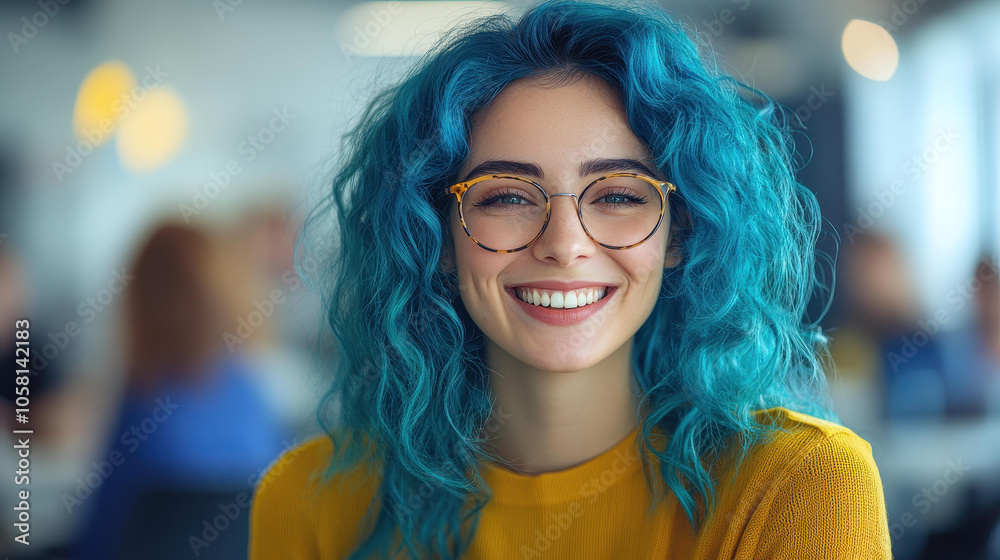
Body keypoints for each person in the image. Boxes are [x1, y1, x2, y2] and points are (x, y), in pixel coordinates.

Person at [249, 1, 892, 558]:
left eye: (617, 195)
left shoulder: (800, 488)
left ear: (681, 233)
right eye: (504, 197)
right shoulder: (309, 503)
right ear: (436, 237)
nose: (564, 246)